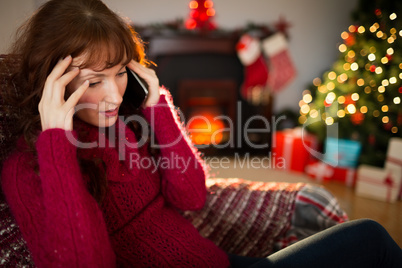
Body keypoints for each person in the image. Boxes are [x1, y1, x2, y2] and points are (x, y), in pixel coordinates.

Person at [1, 0, 401, 267]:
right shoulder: (28, 169)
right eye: (93, 81)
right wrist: (56, 142)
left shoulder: (127, 126)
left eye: (121, 72)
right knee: (371, 240)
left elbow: (191, 194)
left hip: (218, 260)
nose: (112, 95)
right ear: (53, 83)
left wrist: (157, 105)